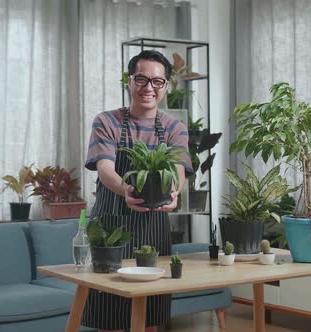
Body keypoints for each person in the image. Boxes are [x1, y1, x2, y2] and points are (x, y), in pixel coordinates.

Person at [83, 50, 193, 332]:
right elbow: (106, 168)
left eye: (157, 82)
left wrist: (174, 191)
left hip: (153, 230)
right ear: (129, 81)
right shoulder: (107, 121)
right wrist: (126, 189)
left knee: (150, 318)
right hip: (110, 229)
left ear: (166, 86)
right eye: (141, 79)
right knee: (110, 316)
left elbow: (179, 169)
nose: (148, 88)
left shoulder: (174, 128)